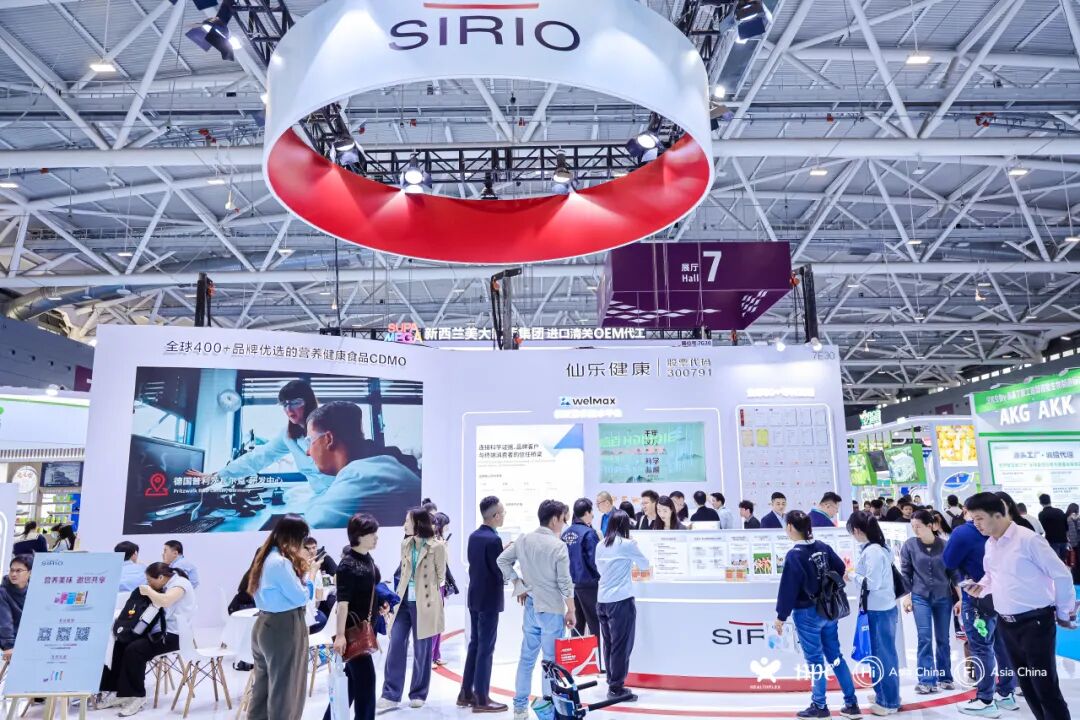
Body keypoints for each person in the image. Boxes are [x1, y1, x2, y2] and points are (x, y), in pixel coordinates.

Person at [964, 492, 1074, 720]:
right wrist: (980, 587)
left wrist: (1064, 612)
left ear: (998, 514)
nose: (976, 524)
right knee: (1027, 685)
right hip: (1006, 624)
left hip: (1035, 623)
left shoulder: (1028, 540)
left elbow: (1062, 575)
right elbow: (992, 575)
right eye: (973, 519)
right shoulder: (991, 544)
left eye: (979, 518)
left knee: (1045, 687)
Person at [774, 511, 861, 719]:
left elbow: (788, 588)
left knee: (815, 660)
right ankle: (851, 703)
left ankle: (820, 706)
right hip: (828, 610)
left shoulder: (794, 555)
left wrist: (781, 616)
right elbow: (840, 567)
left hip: (807, 613)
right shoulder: (822, 546)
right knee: (836, 656)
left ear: (790, 527)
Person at [186, 379, 335, 498]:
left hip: (341, 493)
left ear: (309, 402)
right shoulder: (287, 435)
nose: (289, 409)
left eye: (295, 402)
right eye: (284, 404)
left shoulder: (330, 426)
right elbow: (258, 458)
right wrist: (216, 476)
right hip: (320, 495)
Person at [497, 500, 575, 720]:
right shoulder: (558, 546)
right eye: (563, 519)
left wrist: (518, 584)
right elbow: (565, 582)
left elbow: (502, 560)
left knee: (527, 659)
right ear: (554, 519)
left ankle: (520, 708)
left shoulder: (523, 539)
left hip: (531, 606)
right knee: (550, 662)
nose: (564, 523)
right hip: (551, 609)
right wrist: (571, 610)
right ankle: (548, 709)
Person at [943, 502, 1019, 716]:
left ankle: (985, 699)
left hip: (977, 596)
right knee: (1002, 645)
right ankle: (1006, 693)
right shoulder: (1007, 530)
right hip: (1005, 596)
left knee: (981, 647)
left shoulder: (963, 533)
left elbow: (948, 561)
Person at [303, 401, 422, 528]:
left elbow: (316, 522)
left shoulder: (360, 477)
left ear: (329, 439)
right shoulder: (385, 465)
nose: (307, 452)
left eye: (309, 441)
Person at [99, 562, 196, 717]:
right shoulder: (164, 585)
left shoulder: (181, 583)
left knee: (135, 650)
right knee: (121, 642)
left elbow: (165, 601)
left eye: (150, 580)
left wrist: (148, 591)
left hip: (175, 635)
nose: (149, 584)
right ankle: (120, 692)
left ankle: (137, 696)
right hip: (158, 632)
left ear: (161, 577)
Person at [378, 508, 446, 710]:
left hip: (425, 603)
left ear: (417, 524)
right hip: (403, 601)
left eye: (407, 521)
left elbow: (440, 577)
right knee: (396, 643)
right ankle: (390, 694)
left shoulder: (437, 547)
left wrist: (427, 593)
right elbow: (403, 573)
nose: (404, 525)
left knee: (422, 650)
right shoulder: (406, 544)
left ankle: (418, 693)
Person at [247, 514, 311, 720]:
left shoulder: (265, 557)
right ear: (293, 537)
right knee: (285, 690)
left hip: (264, 624)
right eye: (302, 539)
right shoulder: (280, 563)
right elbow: (300, 597)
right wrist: (308, 578)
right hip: (283, 625)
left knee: (262, 687)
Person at [324, 514, 388, 720]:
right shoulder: (347, 565)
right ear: (359, 535)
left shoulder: (367, 558)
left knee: (352, 684)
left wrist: (380, 603)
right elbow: (342, 604)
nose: (376, 537)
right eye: (372, 534)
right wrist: (340, 635)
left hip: (366, 629)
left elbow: (368, 589)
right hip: (353, 632)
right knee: (366, 684)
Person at [458, 497, 509, 713]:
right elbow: (498, 571)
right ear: (495, 516)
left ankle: (466, 693)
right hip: (489, 600)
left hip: (475, 597)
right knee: (486, 648)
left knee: (476, 644)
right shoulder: (493, 540)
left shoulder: (474, 536)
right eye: (502, 513)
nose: (504, 516)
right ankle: (481, 698)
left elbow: (482, 564)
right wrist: (508, 557)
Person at [847, 511, 900, 715]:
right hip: (883, 608)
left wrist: (853, 575)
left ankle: (887, 702)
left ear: (857, 530)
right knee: (884, 653)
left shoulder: (873, 552)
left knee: (882, 655)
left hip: (879, 610)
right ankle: (886, 695)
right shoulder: (879, 548)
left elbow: (872, 583)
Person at [595, 510, 650, 702]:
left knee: (609, 643)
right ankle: (616, 688)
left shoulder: (601, 544)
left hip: (602, 600)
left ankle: (612, 680)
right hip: (620, 600)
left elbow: (599, 569)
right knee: (621, 645)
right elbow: (644, 565)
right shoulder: (627, 544)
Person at [901, 510, 956, 695]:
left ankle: (945, 677)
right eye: (913, 526)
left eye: (918, 526)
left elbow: (953, 574)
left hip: (943, 597)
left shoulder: (946, 545)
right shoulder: (909, 546)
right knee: (924, 638)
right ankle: (926, 680)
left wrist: (961, 599)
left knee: (943, 638)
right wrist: (906, 596)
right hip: (920, 596)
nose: (915, 530)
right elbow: (906, 573)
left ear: (930, 526)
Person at [562, 499, 601, 639]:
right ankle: (596, 653)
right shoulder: (589, 534)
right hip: (589, 585)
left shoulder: (565, 534)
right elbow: (595, 561)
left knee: (576, 626)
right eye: (592, 512)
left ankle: (577, 654)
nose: (593, 515)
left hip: (571, 586)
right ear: (587, 512)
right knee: (595, 625)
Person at [0, 555, 31, 661]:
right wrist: (8, 646)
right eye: (12, 570)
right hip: (9, 644)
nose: (13, 574)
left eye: (18, 571)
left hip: (29, 642)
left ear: (29, 572)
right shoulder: (3, 592)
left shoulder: (34, 590)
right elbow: (5, 622)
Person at [1037, 494, 1069, 561]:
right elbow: (1066, 526)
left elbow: (1041, 530)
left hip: (1052, 541)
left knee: (1055, 562)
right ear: (1050, 501)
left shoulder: (1042, 514)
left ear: (1040, 502)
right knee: (1063, 562)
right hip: (1063, 540)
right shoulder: (1060, 511)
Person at [1068, 503, 1080, 585]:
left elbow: (1069, 532)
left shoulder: (1068, 518)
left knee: (1074, 562)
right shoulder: (1079, 518)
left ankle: (1076, 579)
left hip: (1073, 543)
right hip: (1079, 542)